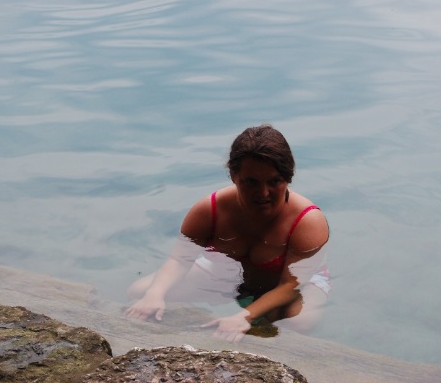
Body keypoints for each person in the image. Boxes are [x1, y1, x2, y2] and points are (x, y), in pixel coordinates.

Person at [124, 124, 330, 342]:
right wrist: (155, 295)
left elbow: (290, 285)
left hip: (294, 282)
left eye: (274, 181)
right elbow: (180, 259)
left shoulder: (307, 222)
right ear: (233, 175)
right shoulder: (210, 210)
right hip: (228, 274)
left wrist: (244, 316)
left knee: (299, 322)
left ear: (289, 177)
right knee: (140, 292)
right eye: (251, 182)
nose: (263, 193)